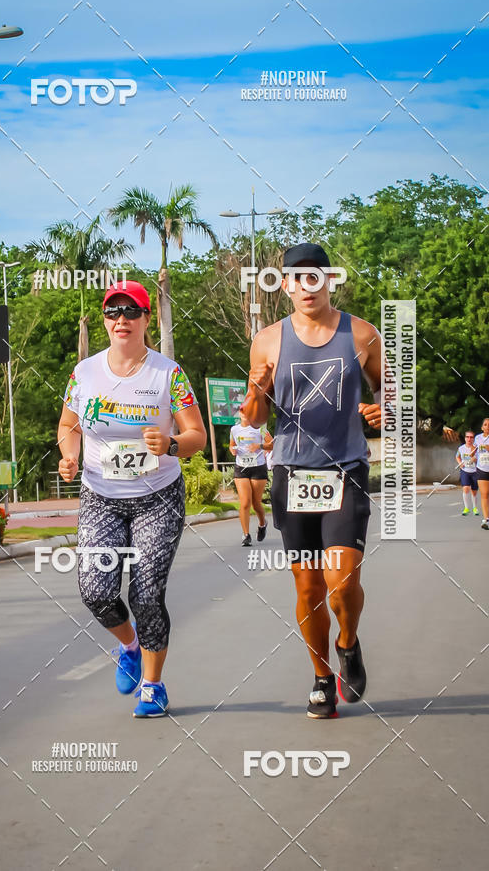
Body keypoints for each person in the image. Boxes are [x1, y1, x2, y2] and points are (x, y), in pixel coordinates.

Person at [241, 242, 383, 719]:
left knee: (341, 582)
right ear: (285, 286)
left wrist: (387, 408)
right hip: (290, 472)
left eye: (315, 276)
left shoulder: (361, 334)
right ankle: (322, 678)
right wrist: (256, 392)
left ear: (329, 280)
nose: (307, 286)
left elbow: (393, 389)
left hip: (346, 468)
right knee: (308, 589)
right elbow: (256, 417)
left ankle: (348, 642)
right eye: (297, 278)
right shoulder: (267, 340)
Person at [57, 281, 206, 717]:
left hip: (158, 497)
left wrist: (171, 444)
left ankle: (153, 686)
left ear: (145, 319)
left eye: (131, 311)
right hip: (101, 495)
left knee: (146, 595)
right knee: (95, 590)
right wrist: (69, 456)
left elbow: (195, 435)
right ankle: (129, 645)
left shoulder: (168, 373)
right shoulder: (84, 373)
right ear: (105, 321)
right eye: (112, 312)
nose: (121, 319)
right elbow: (69, 425)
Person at [229, 411, 273, 546]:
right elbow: (231, 445)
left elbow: (272, 444)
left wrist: (259, 446)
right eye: (241, 411)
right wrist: (233, 450)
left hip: (257, 467)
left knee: (255, 502)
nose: (244, 414)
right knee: (245, 502)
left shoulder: (260, 427)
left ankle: (262, 524)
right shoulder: (234, 429)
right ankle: (246, 535)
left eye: (247, 411)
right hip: (241, 467)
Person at [455, 432, 479, 516]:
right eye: (467, 437)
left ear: (473, 439)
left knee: (474, 491)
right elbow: (457, 456)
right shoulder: (461, 448)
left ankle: (475, 508)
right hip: (465, 471)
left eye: (471, 437)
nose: (469, 439)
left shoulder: (476, 448)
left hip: (475, 471)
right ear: (465, 438)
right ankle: (466, 508)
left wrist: (472, 459)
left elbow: (477, 458)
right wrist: (460, 463)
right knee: (465, 488)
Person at [473, 418, 489, 529]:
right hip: (481, 468)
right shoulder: (477, 438)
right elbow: (475, 452)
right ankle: (486, 519)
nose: (487, 426)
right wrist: (470, 458)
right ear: (482, 427)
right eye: (485, 424)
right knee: (484, 494)